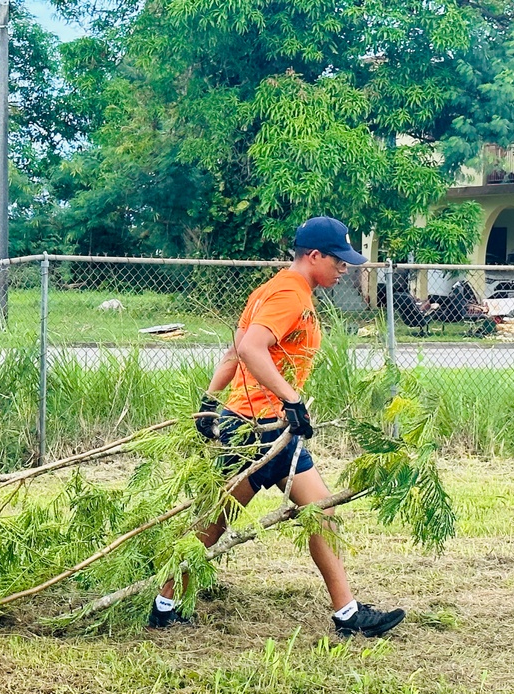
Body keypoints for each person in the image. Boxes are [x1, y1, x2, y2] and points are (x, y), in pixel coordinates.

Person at [148, 216, 406, 638]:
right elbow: (249, 348)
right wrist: (292, 398)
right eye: (339, 260)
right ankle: (165, 604)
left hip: (263, 426)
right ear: (315, 255)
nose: (345, 268)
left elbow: (234, 351)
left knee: (314, 513)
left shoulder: (273, 290)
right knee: (219, 520)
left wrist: (212, 403)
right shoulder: (289, 293)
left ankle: (347, 614)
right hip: (259, 428)